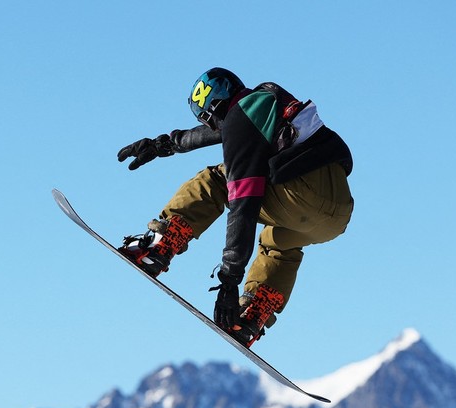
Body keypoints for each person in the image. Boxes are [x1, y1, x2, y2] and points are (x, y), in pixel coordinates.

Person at [117, 67, 354, 347]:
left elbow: (244, 203)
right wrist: (165, 144)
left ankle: (161, 245)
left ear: (211, 114)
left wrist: (230, 279)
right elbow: (222, 132)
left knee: (218, 179)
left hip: (301, 193)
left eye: (207, 121)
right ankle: (254, 312)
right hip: (336, 214)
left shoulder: (240, 121)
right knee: (279, 240)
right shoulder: (265, 103)